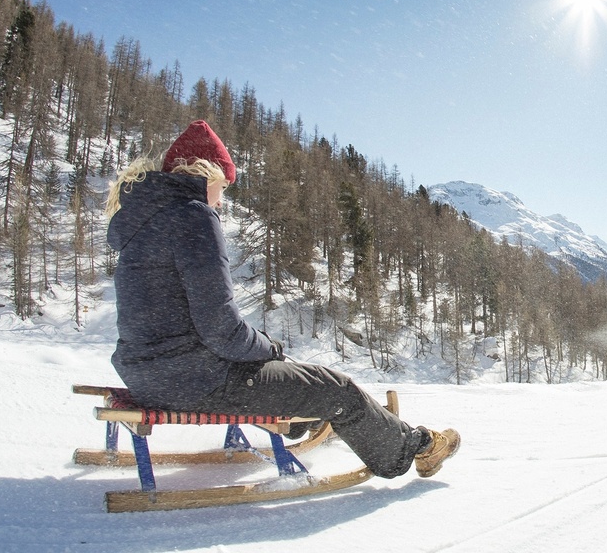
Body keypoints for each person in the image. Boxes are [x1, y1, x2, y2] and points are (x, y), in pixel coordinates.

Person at [105, 120, 460, 479]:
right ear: (206, 175)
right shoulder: (193, 216)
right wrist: (270, 349)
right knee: (338, 389)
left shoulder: (147, 221)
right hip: (195, 381)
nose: (222, 200)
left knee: (286, 374)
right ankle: (414, 448)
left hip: (148, 377)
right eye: (223, 187)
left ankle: (302, 422)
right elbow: (220, 329)